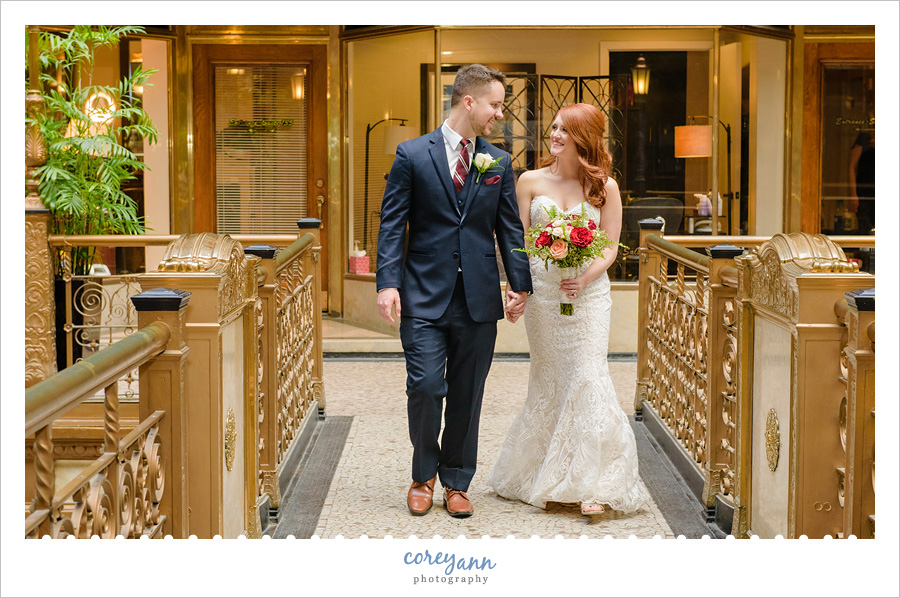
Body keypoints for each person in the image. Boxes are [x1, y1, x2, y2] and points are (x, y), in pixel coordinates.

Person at [376, 64, 533, 518]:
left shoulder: (498, 162)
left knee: (467, 392)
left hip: (479, 297)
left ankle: (457, 480)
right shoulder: (411, 155)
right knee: (425, 387)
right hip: (423, 293)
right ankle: (422, 474)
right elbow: (392, 226)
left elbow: (509, 230)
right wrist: (388, 282)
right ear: (470, 102)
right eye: (496, 104)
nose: (499, 114)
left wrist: (519, 286)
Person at [487, 103, 651, 516]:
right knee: (551, 381)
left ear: (585, 137)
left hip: (589, 296)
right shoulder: (528, 181)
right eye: (555, 127)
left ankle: (595, 484)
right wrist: (517, 289)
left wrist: (586, 277)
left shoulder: (604, 187)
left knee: (588, 375)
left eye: (566, 129)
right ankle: (550, 473)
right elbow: (516, 241)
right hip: (544, 295)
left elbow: (611, 246)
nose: (556, 134)